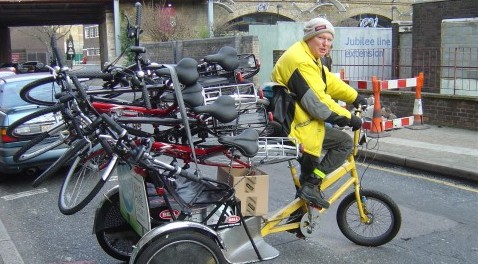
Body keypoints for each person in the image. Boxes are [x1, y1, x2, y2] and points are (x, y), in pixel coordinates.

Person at [271, 17, 366, 208]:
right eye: (321, 38)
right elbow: (318, 103)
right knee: (344, 143)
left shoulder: (309, 57)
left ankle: (300, 217)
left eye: (329, 39)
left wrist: (355, 97)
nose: (325, 44)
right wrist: (348, 118)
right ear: (309, 38)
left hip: (302, 122)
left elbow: (328, 81)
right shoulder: (300, 61)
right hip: (297, 128)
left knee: (308, 180)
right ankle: (311, 187)